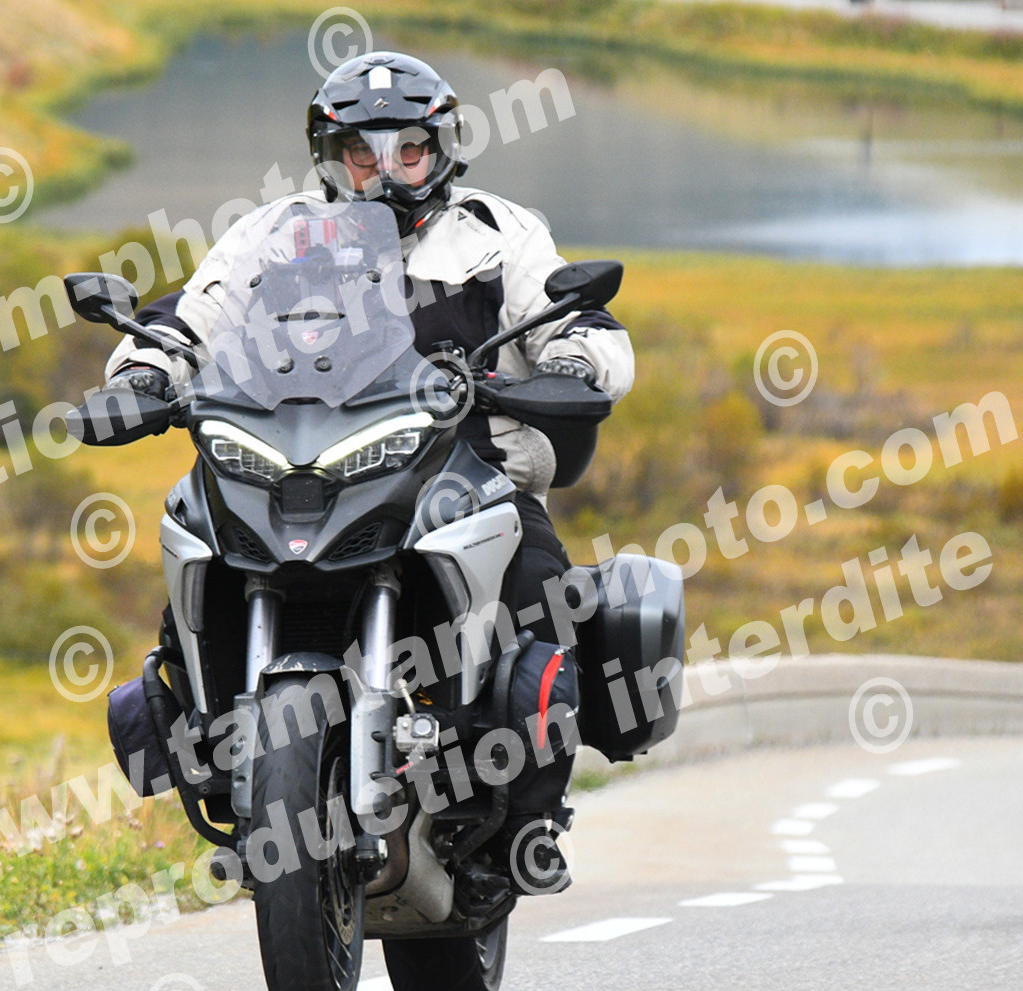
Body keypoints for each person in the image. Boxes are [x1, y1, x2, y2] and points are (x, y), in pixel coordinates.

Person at [103, 51, 634, 889]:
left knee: (542, 596)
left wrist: (572, 360)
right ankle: (214, 753)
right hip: (301, 468)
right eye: (362, 152)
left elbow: (578, 318)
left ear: (441, 148)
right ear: (329, 155)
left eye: (407, 150)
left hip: (465, 470)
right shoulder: (274, 233)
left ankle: (526, 826)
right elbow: (193, 314)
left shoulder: (497, 232)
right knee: (192, 580)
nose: (384, 170)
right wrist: (144, 371)